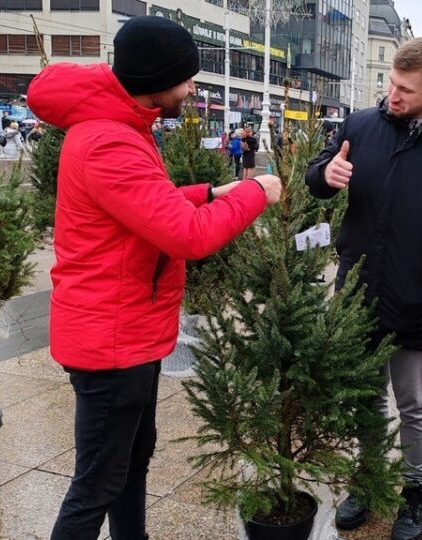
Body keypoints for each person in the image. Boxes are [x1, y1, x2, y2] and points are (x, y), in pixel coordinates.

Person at [27, 15, 282, 540]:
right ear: (156, 83)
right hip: (111, 341)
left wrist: (211, 193)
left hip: (127, 333)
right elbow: (187, 236)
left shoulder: (119, 126)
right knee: (96, 483)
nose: (191, 89)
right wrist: (256, 193)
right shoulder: (108, 142)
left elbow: (145, 208)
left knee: (128, 464)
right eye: (186, 79)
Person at [305, 37, 422, 540]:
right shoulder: (360, 125)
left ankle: (412, 494)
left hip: (417, 299)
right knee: (365, 398)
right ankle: (368, 479)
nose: (392, 95)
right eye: (390, 84)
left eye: (404, 89)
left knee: (415, 404)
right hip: (358, 290)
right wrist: (325, 174)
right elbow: (315, 175)